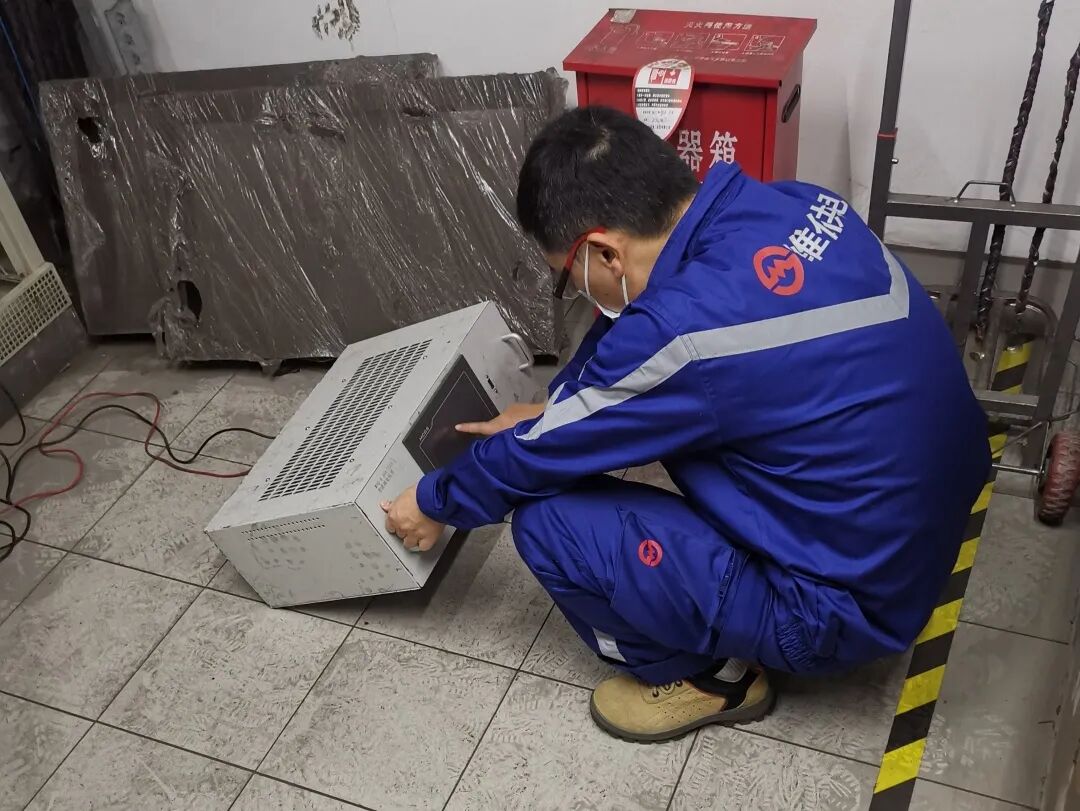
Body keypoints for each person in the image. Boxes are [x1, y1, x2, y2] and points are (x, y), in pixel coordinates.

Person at [381, 106, 990, 743]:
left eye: (569, 278)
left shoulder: (686, 335)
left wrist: (434, 501)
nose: (578, 291)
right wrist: (560, 406)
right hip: (919, 540)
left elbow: (554, 441)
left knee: (550, 524)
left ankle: (714, 678)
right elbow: (638, 334)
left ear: (603, 252)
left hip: (839, 610)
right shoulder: (794, 205)